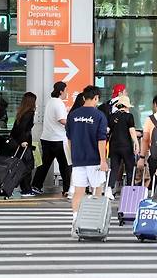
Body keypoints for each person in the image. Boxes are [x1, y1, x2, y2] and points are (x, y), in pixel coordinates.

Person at [66, 85, 108, 237]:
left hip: (78, 160)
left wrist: (73, 156)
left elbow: (69, 139)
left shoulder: (72, 115)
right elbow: (101, 140)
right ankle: (94, 223)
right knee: (97, 190)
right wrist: (103, 160)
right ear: (96, 98)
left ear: (83, 98)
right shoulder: (99, 116)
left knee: (78, 191)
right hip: (95, 160)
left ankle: (75, 224)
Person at [32, 82, 71, 196]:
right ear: (61, 91)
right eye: (66, 90)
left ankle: (36, 186)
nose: (66, 93)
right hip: (58, 139)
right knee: (65, 166)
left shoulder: (50, 101)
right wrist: (73, 123)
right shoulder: (58, 103)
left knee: (44, 165)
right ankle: (66, 189)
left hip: (47, 138)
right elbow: (62, 120)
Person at [107, 96, 139, 198]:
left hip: (114, 146)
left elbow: (107, 131)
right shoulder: (129, 116)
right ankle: (129, 191)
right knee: (129, 168)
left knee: (114, 168)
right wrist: (136, 144)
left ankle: (109, 190)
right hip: (126, 146)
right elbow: (132, 131)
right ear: (126, 106)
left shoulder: (111, 116)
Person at [10, 92, 38, 197]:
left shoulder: (21, 112)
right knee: (28, 165)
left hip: (19, 143)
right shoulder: (29, 113)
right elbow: (22, 128)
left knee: (22, 165)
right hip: (24, 143)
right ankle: (26, 189)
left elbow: (15, 129)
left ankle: (25, 188)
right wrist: (23, 141)